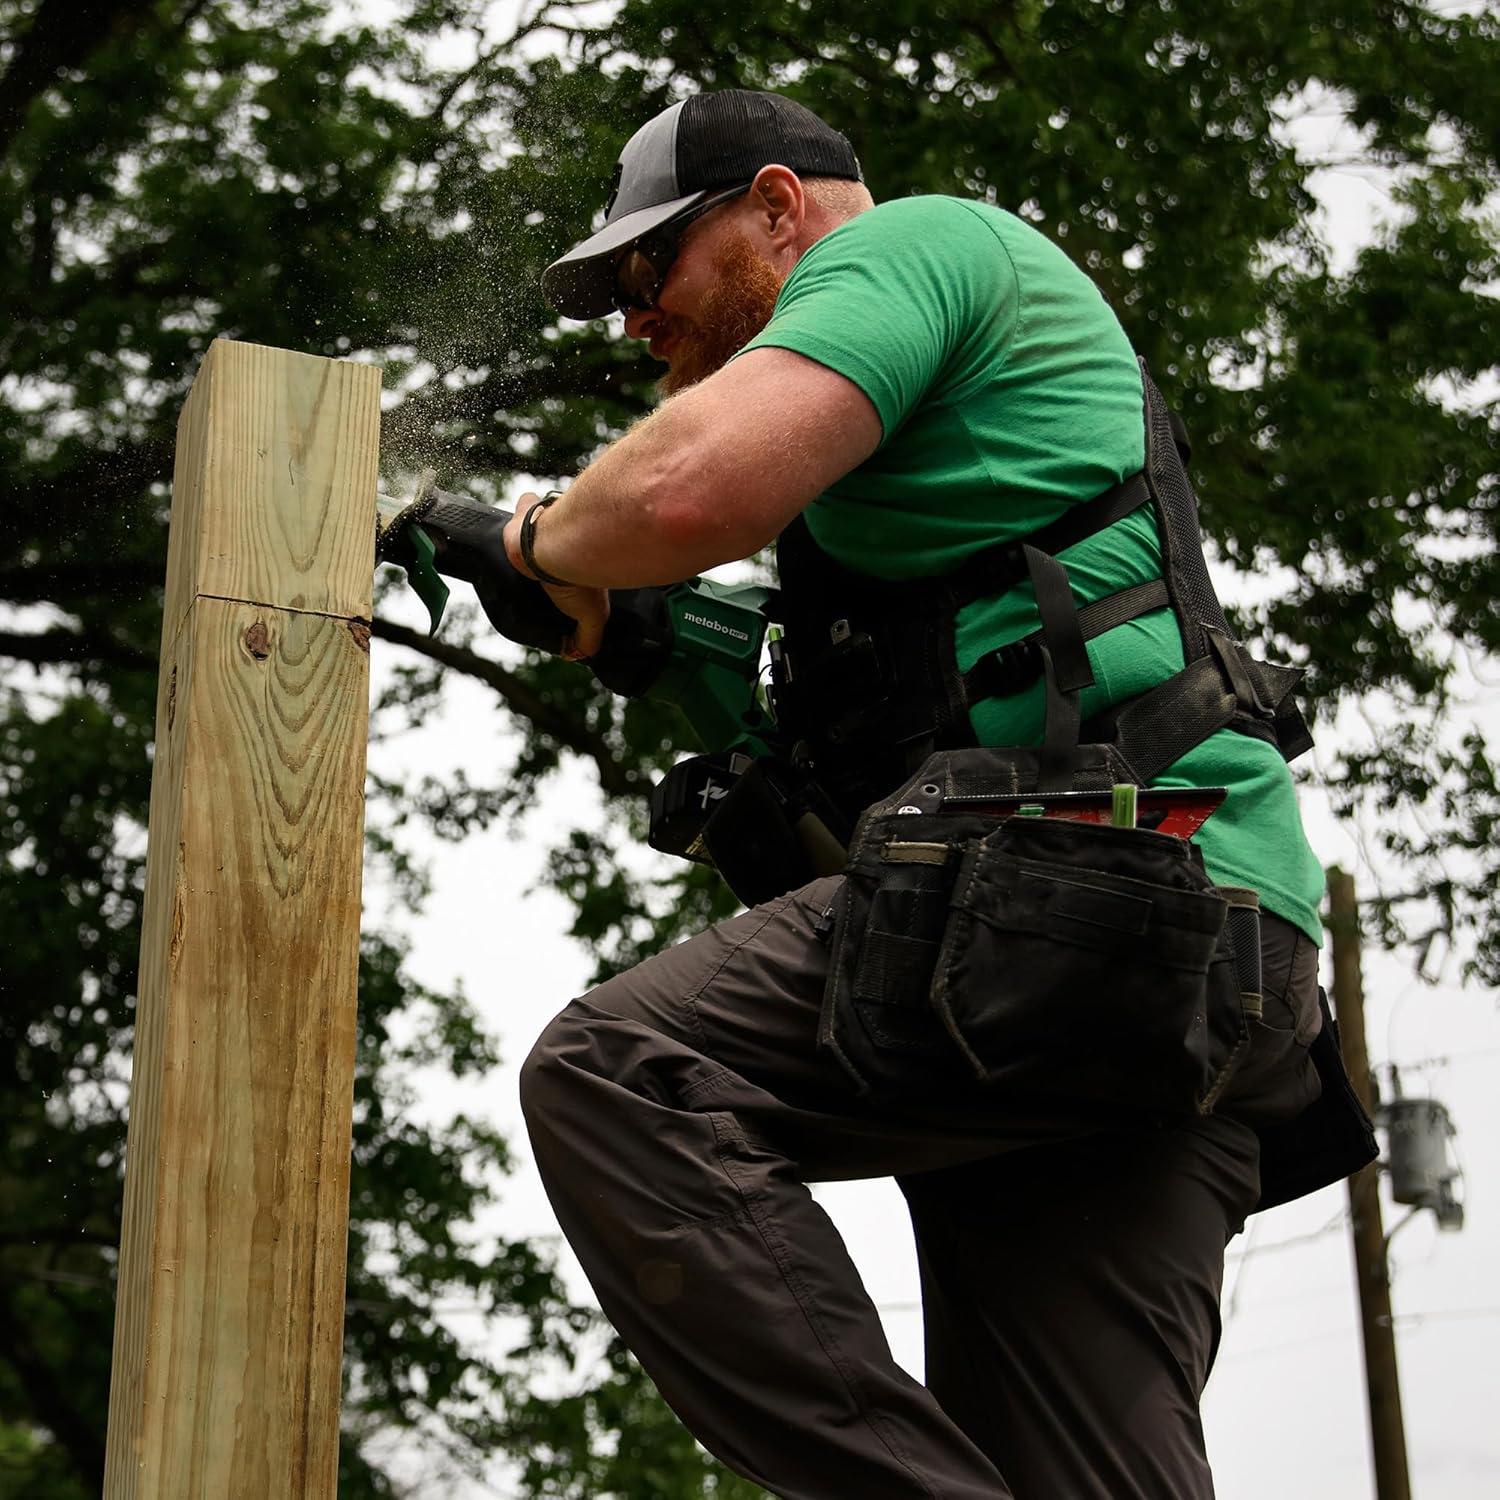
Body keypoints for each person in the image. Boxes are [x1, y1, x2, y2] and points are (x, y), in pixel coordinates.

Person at [502, 89, 1374, 1498]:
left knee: (621, 1075)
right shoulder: (921, 467)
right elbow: (914, 676)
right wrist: (629, 627)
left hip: (1088, 913)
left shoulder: (913, 246)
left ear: (778, 209)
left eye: (648, 268)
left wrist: (545, 538)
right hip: (1194, 963)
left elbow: (678, 498)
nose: (632, 317)